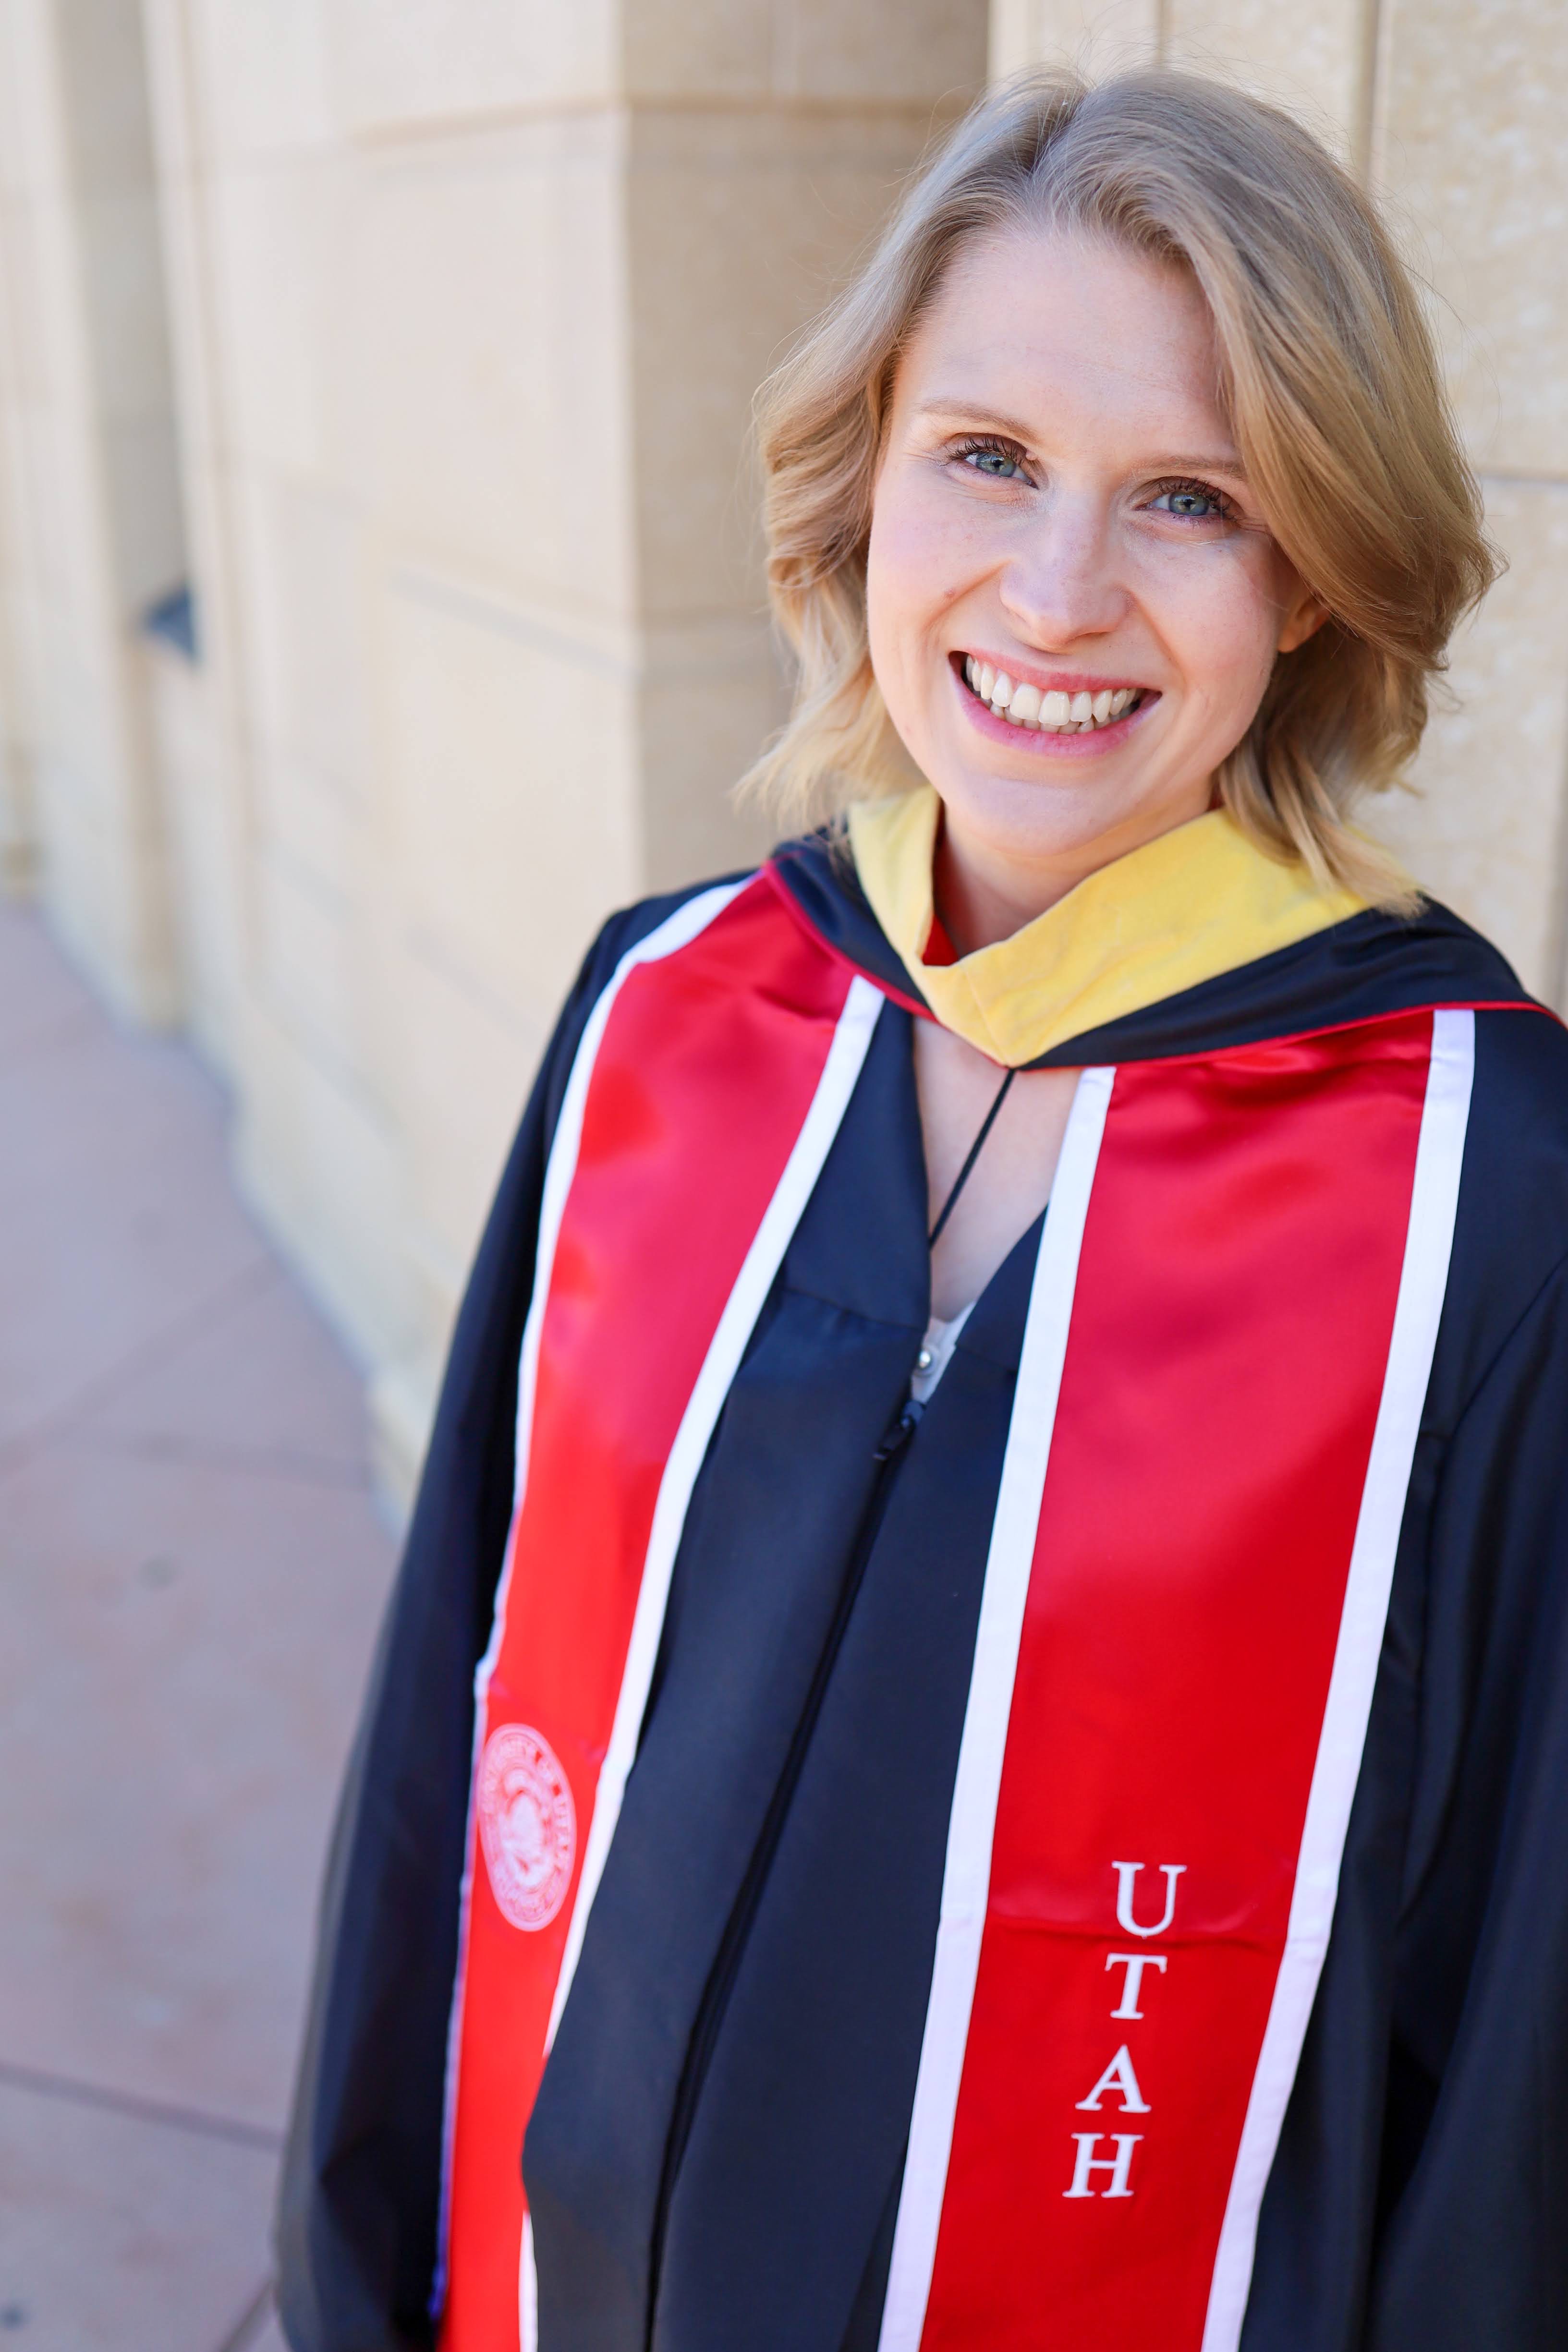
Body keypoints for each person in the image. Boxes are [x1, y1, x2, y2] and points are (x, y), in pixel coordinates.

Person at [276, 67, 1568, 2352]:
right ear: (864, 477)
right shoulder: (668, 1020)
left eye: (1188, 495)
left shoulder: (1486, 1190)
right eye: (986, 455)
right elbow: (450, 1742)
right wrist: (357, 2279)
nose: (1055, 593)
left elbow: (1514, 2050)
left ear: (1308, 579)